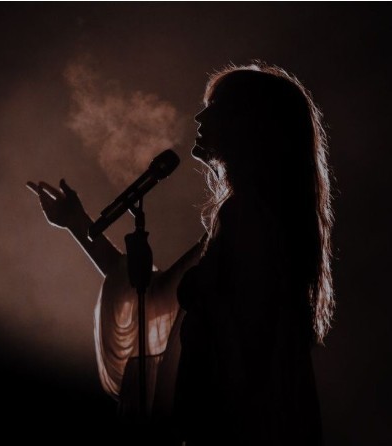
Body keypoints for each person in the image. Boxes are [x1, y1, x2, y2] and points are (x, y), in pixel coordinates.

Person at [28, 62, 334, 445]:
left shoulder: (248, 217)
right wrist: (78, 224)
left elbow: (245, 344)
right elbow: (155, 297)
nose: (200, 117)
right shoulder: (245, 217)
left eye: (216, 107)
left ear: (250, 124)